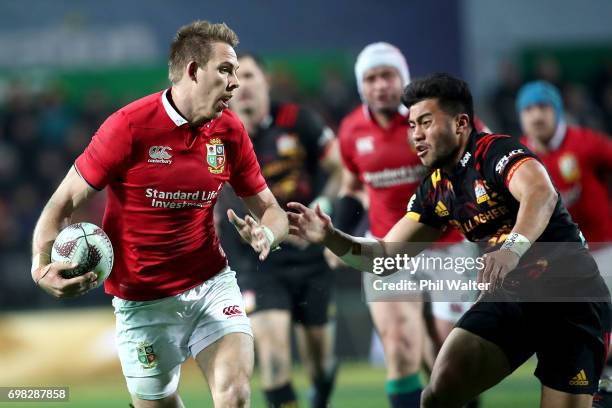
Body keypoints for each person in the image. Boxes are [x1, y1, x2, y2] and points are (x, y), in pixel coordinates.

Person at [288, 73, 611, 407]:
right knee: (439, 391)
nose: (416, 135)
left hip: (570, 296)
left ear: (460, 123)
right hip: (513, 297)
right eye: (412, 125)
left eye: (426, 122)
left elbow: (540, 194)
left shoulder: (495, 150)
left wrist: (512, 250)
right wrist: (330, 237)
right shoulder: (435, 189)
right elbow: (383, 257)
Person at [30, 21, 288, 408]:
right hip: (141, 301)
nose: (236, 82)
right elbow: (62, 202)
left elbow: (272, 210)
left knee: (234, 395)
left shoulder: (230, 132)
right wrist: (40, 268)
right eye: (225, 69)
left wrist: (266, 235)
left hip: (210, 285)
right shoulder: (129, 127)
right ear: (193, 70)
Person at [333, 42, 486, 407]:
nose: (381, 85)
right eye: (371, 78)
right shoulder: (351, 130)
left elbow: (484, 154)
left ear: (403, 78)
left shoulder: (435, 115)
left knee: (446, 355)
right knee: (401, 346)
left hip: (447, 245)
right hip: (388, 249)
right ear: (361, 86)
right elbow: (352, 184)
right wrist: (339, 227)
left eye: (388, 75)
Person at [216, 53, 340, 408]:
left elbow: (339, 169)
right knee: (272, 356)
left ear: (266, 81)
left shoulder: (298, 120)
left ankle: (321, 391)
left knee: (320, 362)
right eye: (233, 77)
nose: (242, 86)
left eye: (250, 76)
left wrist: (323, 210)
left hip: (308, 253)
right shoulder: (215, 132)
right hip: (256, 260)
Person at [517, 80, 612, 271]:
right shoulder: (516, 155)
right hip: (551, 258)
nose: (536, 116)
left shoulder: (586, 142)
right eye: (528, 109)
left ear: (557, 111)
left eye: (543, 107)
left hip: (601, 251)